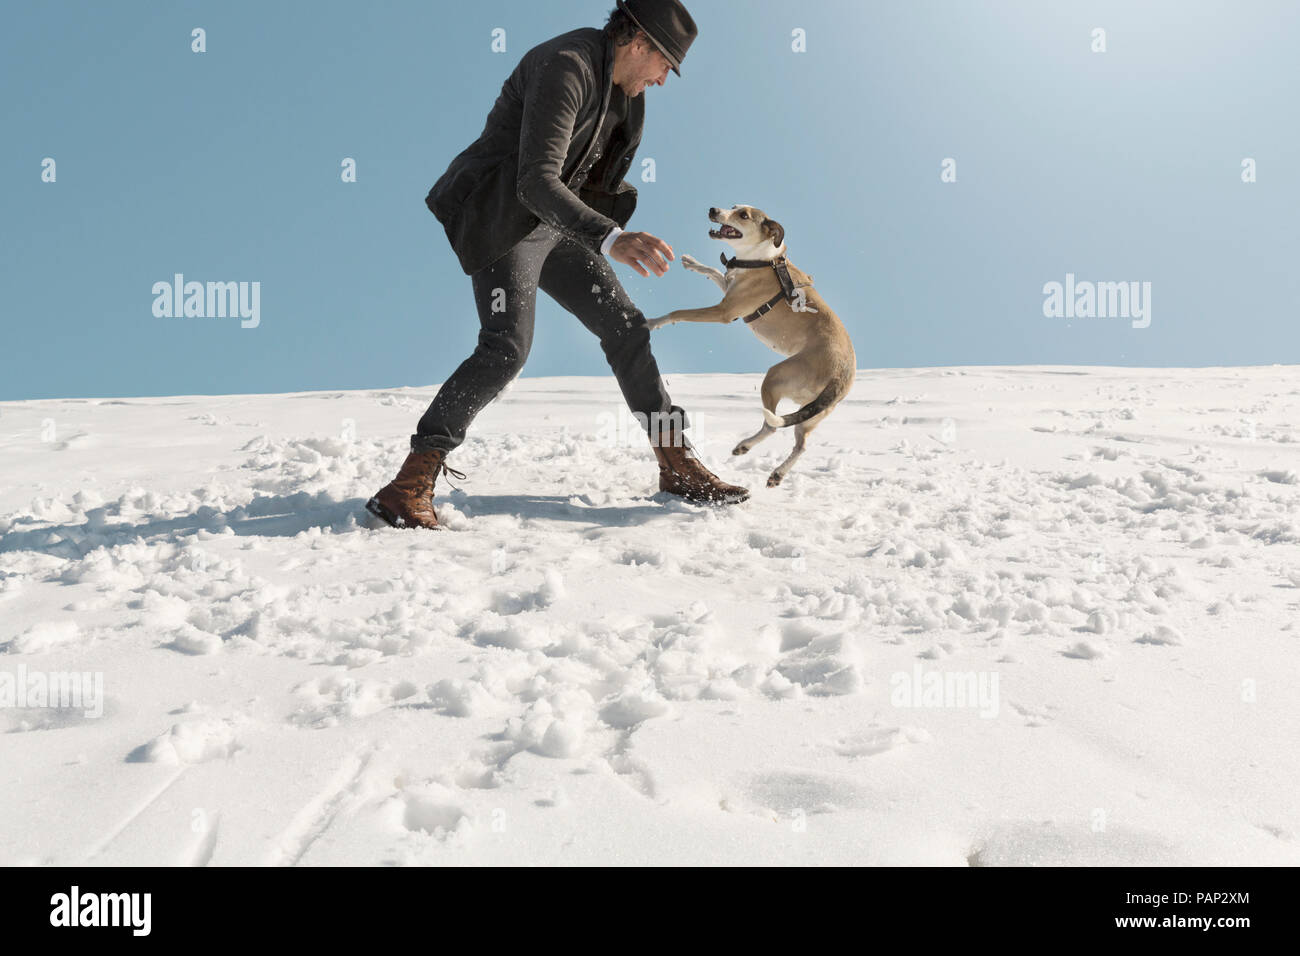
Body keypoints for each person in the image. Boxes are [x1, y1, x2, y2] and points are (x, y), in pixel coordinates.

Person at [366, 0, 749, 531]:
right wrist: (611, 237)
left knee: (627, 327)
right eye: (665, 64)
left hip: (555, 225)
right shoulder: (566, 66)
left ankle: (675, 461)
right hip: (503, 216)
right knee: (506, 347)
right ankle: (409, 483)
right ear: (639, 42)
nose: (663, 80)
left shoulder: (628, 96)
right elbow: (534, 181)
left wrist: (605, 227)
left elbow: (594, 175)